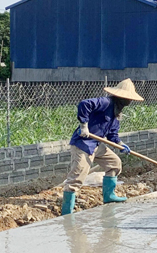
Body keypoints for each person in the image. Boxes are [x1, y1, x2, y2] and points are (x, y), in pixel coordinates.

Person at [61, 78, 144, 215]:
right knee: (77, 178)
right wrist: (84, 126)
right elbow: (84, 104)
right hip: (84, 144)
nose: (130, 101)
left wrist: (121, 145)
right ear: (121, 97)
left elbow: (112, 135)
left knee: (115, 163)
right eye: (128, 98)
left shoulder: (117, 113)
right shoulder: (105, 103)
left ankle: (109, 196)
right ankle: (66, 212)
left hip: (97, 145)